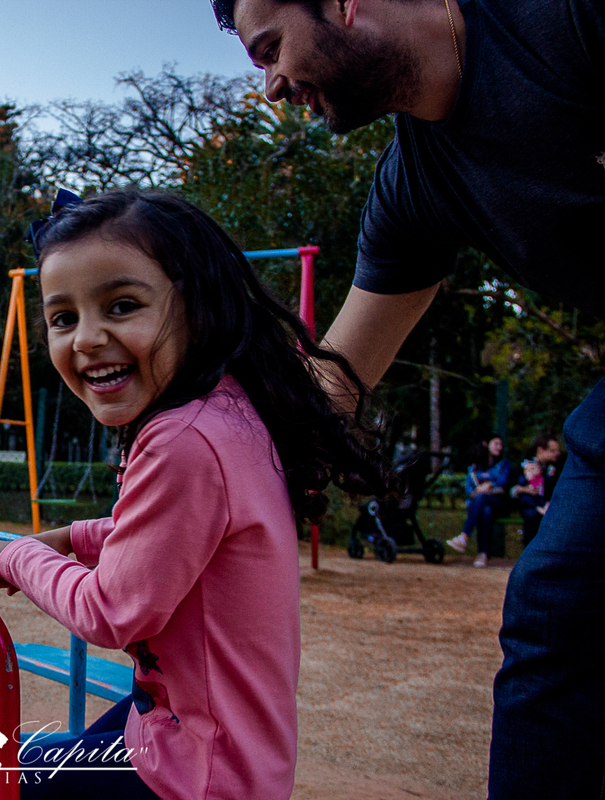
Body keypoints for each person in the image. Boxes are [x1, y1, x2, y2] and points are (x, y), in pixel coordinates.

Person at [214, 0, 603, 792]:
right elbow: (332, 383)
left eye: (271, 48)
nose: (271, 86)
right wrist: (193, 474)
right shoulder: (416, 185)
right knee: (558, 608)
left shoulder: (558, 20)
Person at [0, 192, 394, 800]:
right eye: (63, 318)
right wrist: (78, 537)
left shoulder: (183, 440)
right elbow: (178, 535)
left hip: (200, 774)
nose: (86, 338)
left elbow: (111, 611)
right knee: (60, 751)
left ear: (198, 307)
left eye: (122, 306)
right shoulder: (225, 411)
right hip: (210, 737)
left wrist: (18, 556)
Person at [446, 435, 512, 567]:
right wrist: (480, 490)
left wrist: (490, 485)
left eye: (501, 444)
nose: (499, 447)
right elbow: (469, 491)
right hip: (481, 505)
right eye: (496, 443)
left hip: (500, 505)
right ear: (486, 444)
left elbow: (503, 482)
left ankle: (464, 536)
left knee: (483, 499)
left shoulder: (504, 464)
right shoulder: (474, 468)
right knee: (486, 510)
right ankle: (482, 554)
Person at [509, 434, 562, 547]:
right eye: (552, 451)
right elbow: (511, 489)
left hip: (548, 505)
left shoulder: (556, 468)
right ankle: (530, 551)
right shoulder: (524, 465)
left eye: (557, 450)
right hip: (527, 505)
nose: (557, 453)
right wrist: (524, 489)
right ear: (540, 450)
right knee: (531, 514)